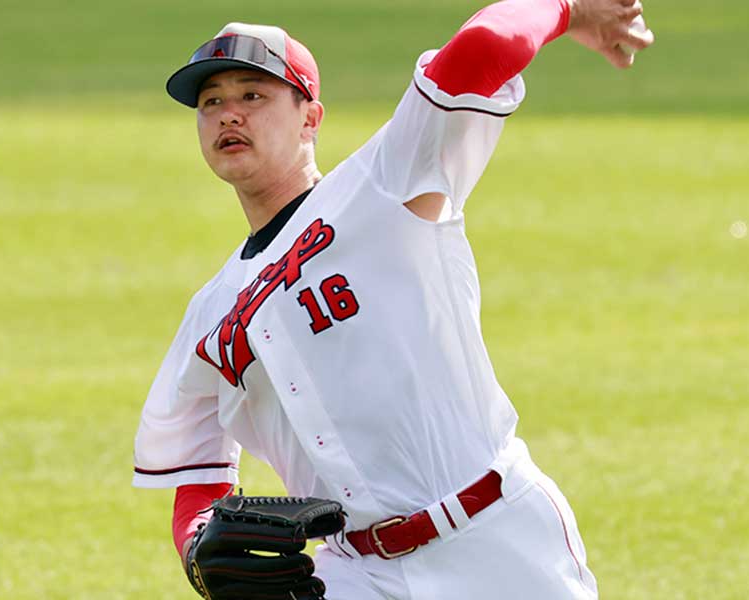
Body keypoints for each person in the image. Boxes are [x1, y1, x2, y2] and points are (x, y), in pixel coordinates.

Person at [133, 0, 654, 597]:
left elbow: (481, 49)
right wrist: (200, 546)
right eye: (211, 102)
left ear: (310, 117)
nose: (229, 114)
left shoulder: (384, 184)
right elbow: (196, 473)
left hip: (495, 540)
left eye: (254, 95)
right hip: (355, 573)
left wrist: (569, 9)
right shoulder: (211, 312)